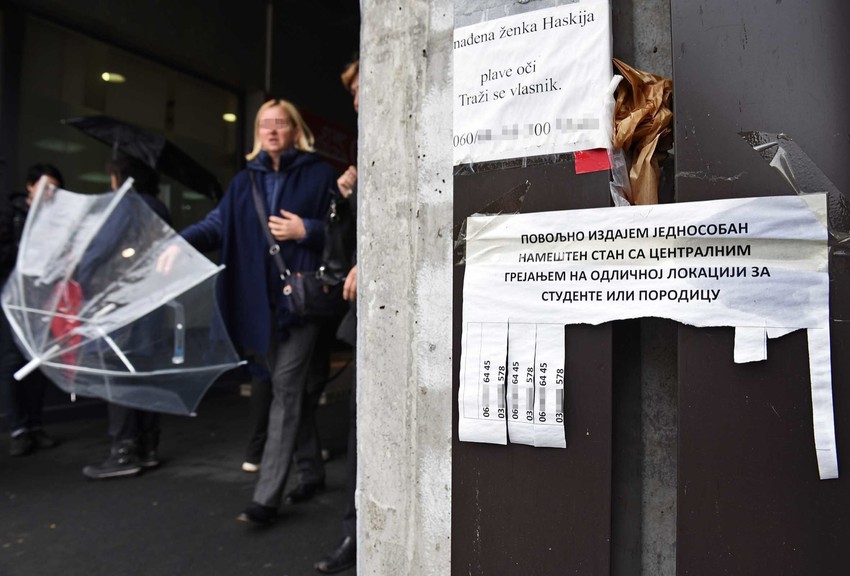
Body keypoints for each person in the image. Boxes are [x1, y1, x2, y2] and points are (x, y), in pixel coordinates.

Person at [158, 99, 337, 524]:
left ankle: (266, 497)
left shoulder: (319, 175)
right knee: (291, 390)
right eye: (264, 124)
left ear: (296, 130)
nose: (271, 130)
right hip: (260, 303)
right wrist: (178, 243)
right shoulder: (244, 182)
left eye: (280, 123)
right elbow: (217, 225)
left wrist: (307, 229)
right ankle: (311, 471)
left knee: (286, 388)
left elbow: (346, 229)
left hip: (302, 300)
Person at [81, 154, 171, 479]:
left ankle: (124, 450)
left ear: (122, 178)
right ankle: (147, 446)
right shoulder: (159, 207)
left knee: (116, 371)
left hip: (122, 302)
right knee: (143, 371)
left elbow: (99, 251)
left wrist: (82, 277)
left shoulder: (128, 205)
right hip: (152, 303)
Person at [314, 58, 360, 575]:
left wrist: (373, 261)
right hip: (369, 313)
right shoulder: (362, 156)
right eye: (351, 93)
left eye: (361, 87)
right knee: (359, 422)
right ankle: (356, 530)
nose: (356, 99)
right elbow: (345, 243)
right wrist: (346, 199)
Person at [0, 164, 63, 457]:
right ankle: (18, 429)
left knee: (38, 361)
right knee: (12, 362)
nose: (50, 193)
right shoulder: (11, 215)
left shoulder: (55, 220)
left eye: (55, 189)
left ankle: (36, 425)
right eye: (45, 187)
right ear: (30, 186)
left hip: (42, 299)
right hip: (12, 298)